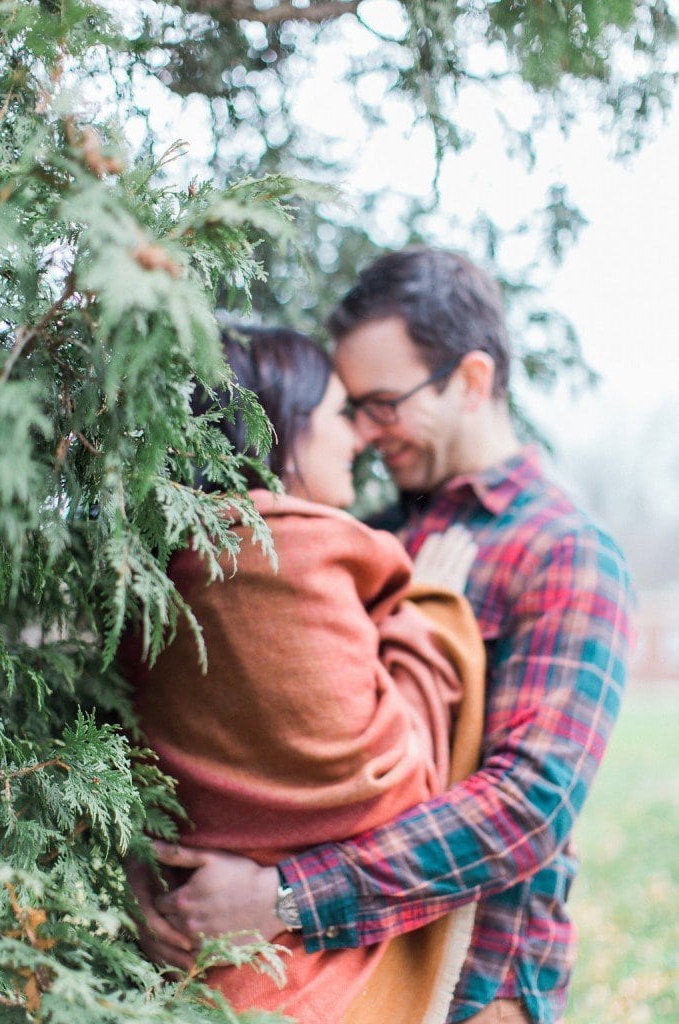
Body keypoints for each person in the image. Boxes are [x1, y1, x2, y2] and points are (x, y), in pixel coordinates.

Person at [136, 251, 634, 1024]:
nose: (364, 433)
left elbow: (528, 806)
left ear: (471, 380)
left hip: (477, 990)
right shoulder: (364, 536)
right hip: (323, 987)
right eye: (351, 408)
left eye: (384, 403)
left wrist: (283, 897)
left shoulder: (562, 551)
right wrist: (167, 878)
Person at [125, 324, 486, 1024]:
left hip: (194, 972)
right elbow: (390, 785)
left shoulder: (153, 561)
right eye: (339, 416)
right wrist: (431, 614)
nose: (357, 438)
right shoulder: (296, 555)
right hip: (300, 981)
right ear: (283, 429)